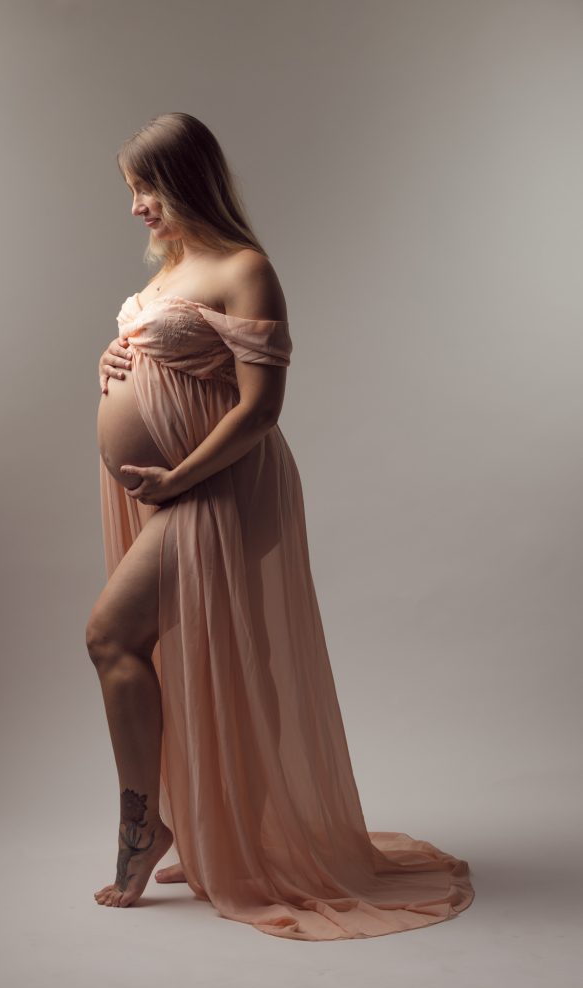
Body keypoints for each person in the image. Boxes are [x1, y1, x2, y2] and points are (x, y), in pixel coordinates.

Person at [86, 112, 475, 941]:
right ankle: (192, 827)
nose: (136, 207)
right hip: (173, 487)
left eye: (147, 187)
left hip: (222, 487)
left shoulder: (244, 268)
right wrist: (111, 360)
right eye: (131, 190)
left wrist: (180, 478)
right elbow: (156, 355)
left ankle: (143, 829)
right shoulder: (173, 271)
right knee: (188, 654)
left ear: (189, 179)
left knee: (111, 636)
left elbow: (261, 411)